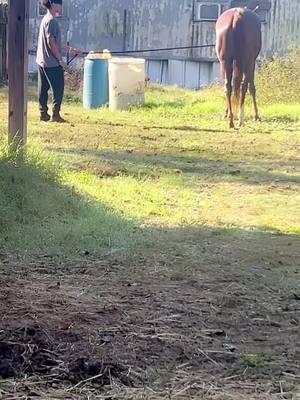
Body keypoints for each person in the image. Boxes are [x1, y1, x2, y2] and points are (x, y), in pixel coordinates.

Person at [36, 0, 83, 122]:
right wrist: (60, 60)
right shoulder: (51, 21)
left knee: (43, 88)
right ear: (54, 5)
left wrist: (71, 50)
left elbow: (56, 43)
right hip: (51, 62)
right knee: (58, 88)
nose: (62, 7)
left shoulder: (45, 19)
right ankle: (55, 115)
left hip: (42, 61)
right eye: (60, 4)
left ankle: (43, 114)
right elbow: (51, 42)